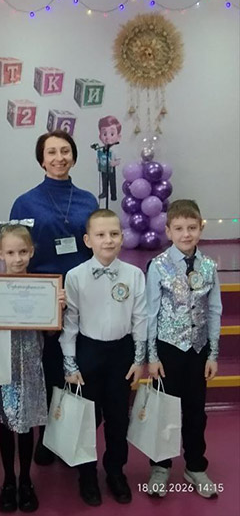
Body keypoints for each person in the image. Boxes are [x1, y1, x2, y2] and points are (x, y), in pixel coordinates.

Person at [9, 130, 98, 465]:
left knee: (80, 364)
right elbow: (14, 249)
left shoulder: (88, 200)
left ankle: (73, 434)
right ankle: (48, 436)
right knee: (48, 368)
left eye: (65, 151)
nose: (59, 157)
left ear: (73, 156)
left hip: (81, 294)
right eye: (51, 152)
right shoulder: (24, 202)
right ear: (41, 160)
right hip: (42, 295)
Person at [61, 209, 147, 507]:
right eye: (100, 235)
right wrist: (70, 363)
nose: (108, 240)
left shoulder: (135, 275)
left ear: (122, 237)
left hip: (121, 353)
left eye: (114, 234)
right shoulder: (75, 276)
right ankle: (86, 474)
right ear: (88, 240)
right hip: (88, 352)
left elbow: (140, 319)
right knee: (86, 418)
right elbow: (70, 323)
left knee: (118, 417)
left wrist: (138, 359)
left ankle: (115, 471)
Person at [0, 223, 65, 513]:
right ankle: (8, 481)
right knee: (5, 425)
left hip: (30, 366)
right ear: (0, 253)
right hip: (1, 366)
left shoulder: (44, 287)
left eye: (23, 252)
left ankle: (26, 480)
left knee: (26, 426)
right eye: (11, 252)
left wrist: (57, 309)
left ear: (31, 252)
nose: (17, 258)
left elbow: (51, 332)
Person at [145, 199, 223, 499]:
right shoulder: (158, 265)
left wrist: (213, 354)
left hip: (198, 349)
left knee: (195, 411)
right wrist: (152, 356)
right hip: (168, 349)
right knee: (164, 411)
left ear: (200, 229)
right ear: (168, 231)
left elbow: (214, 309)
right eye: (179, 228)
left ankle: (195, 465)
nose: (186, 234)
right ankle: (160, 465)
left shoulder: (208, 266)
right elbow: (151, 312)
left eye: (192, 227)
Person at [95, 116, 121, 201]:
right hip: (103, 168)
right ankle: (104, 192)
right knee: (104, 181)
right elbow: (100, 156)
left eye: (112, 134)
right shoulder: (102, 149)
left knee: (112, 182)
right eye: (104, 134)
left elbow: (118, 160)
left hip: (111, 169)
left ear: (118, 136)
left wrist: (114, 163)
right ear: (100, 136)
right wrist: (98, 161)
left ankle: (113, 195)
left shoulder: (115, 149)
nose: (107, 137)